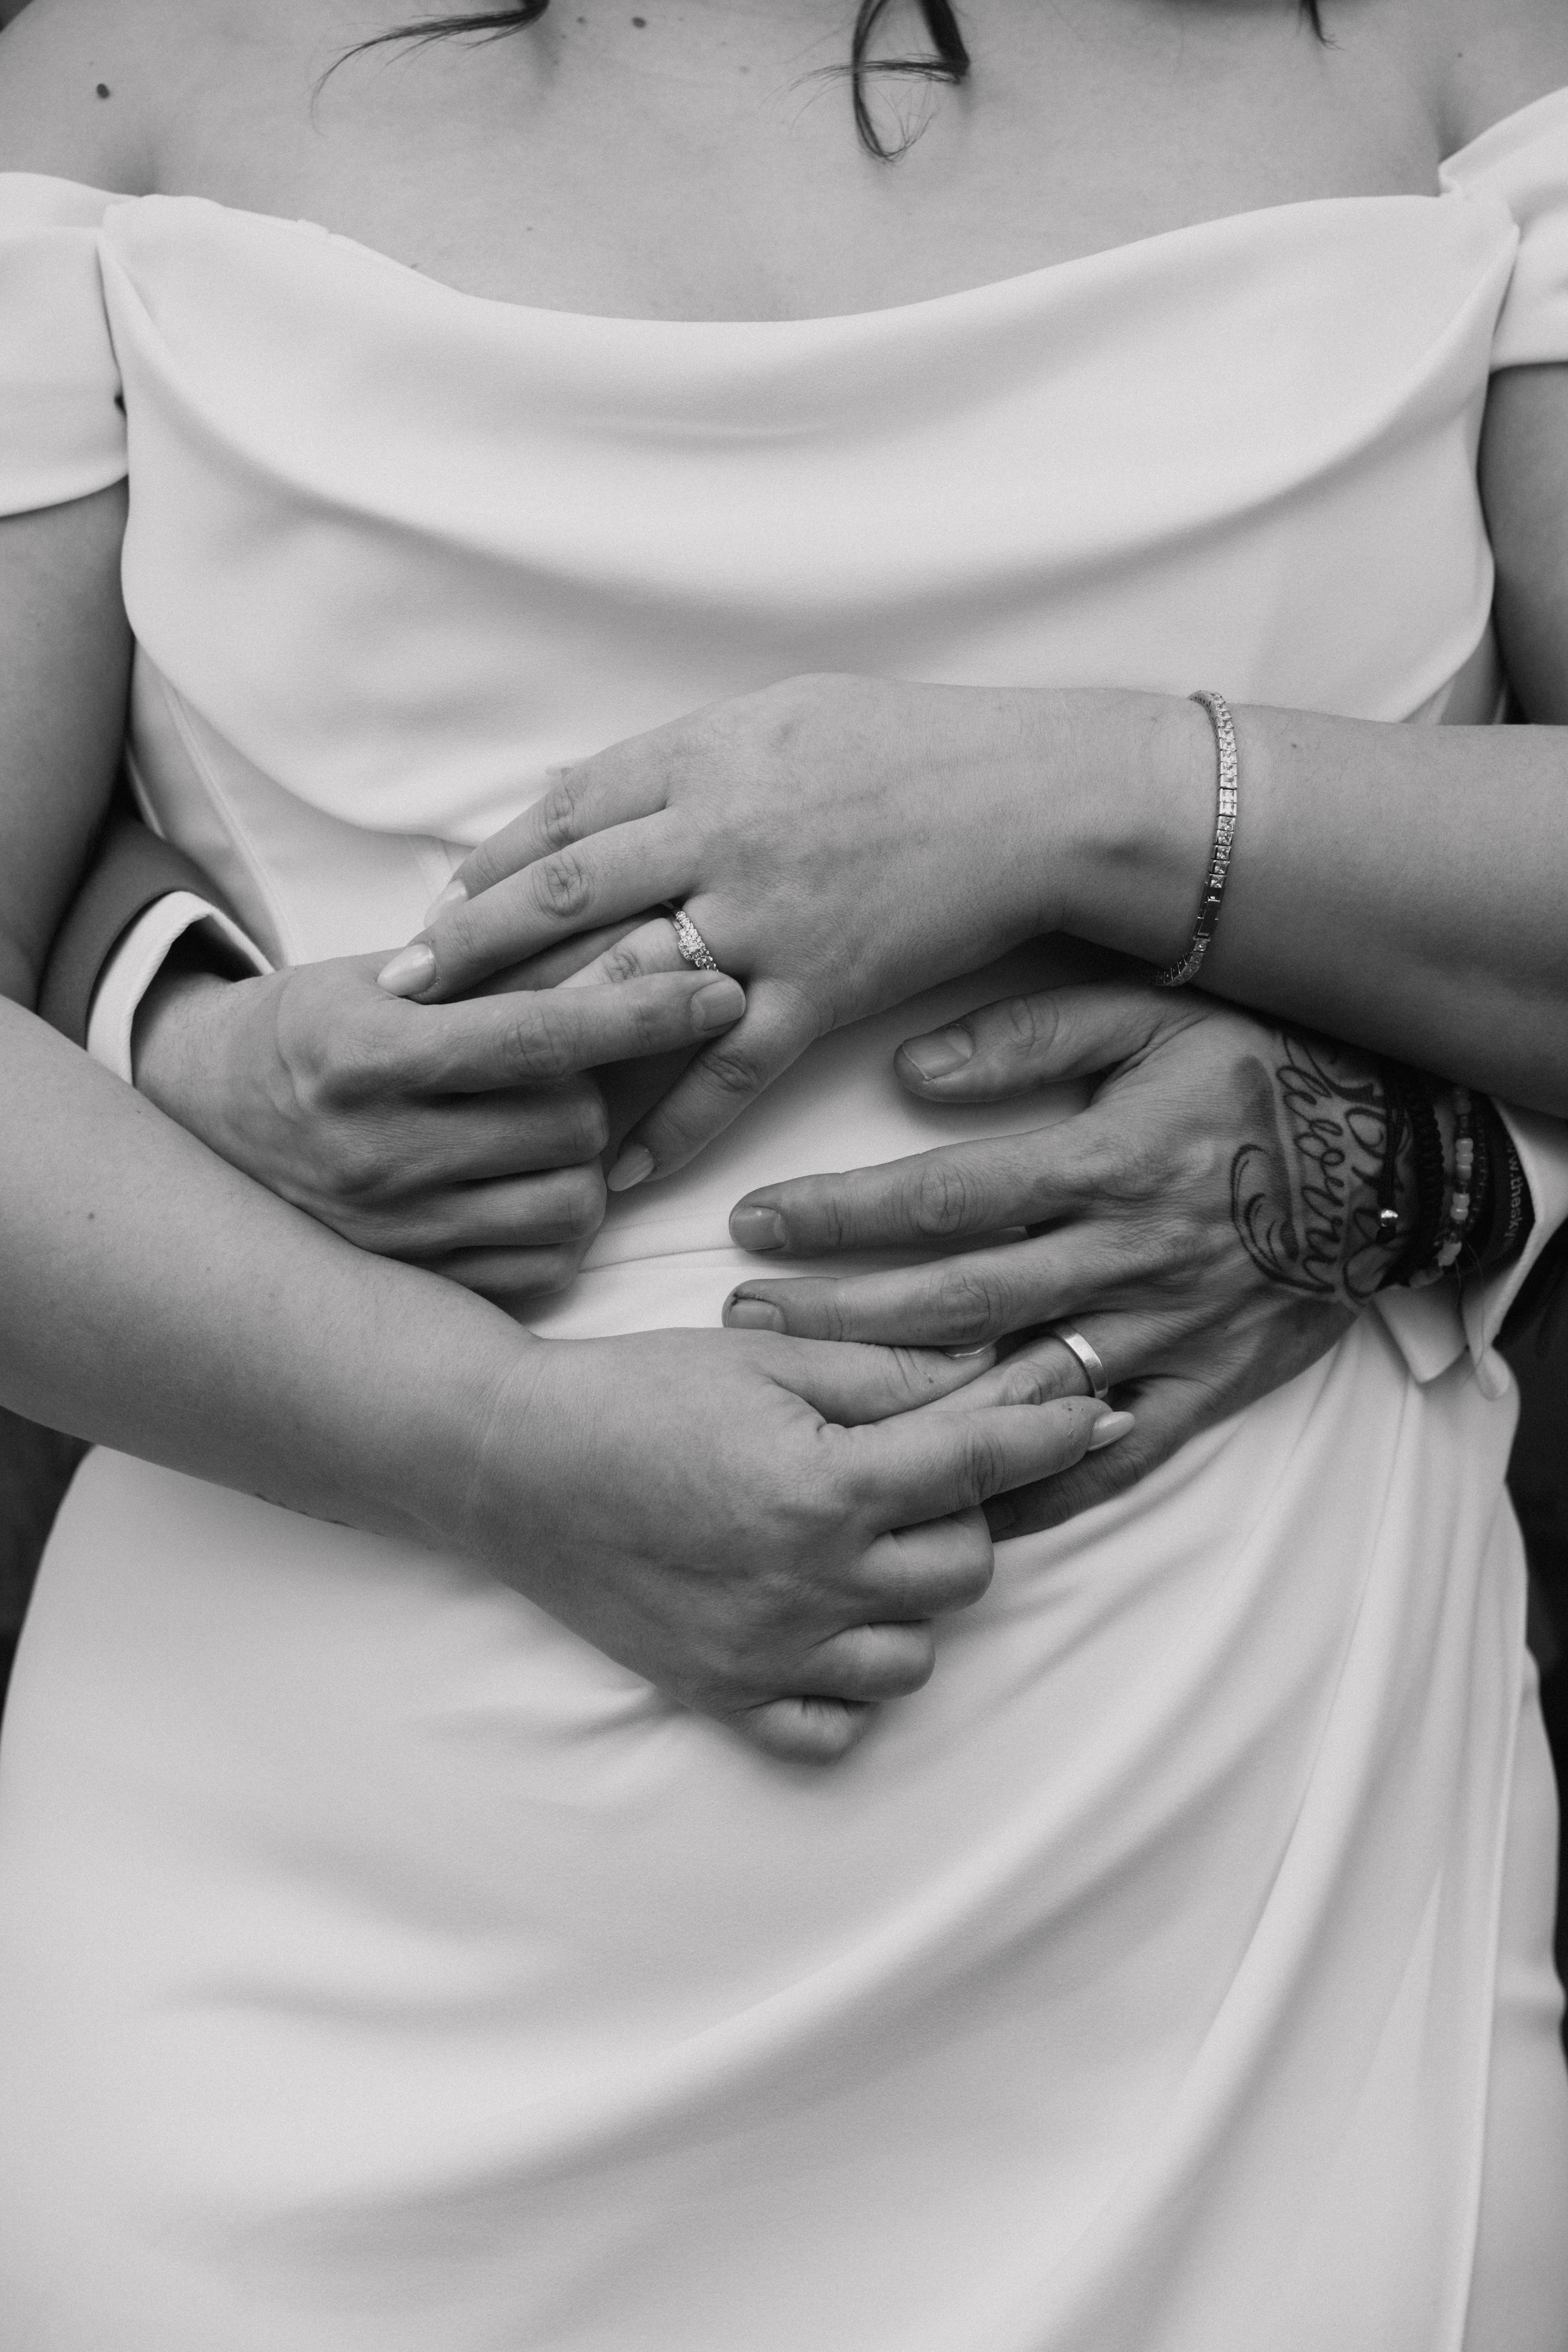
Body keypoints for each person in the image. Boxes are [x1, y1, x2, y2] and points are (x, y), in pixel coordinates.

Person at [0, 0, 1566, 2343]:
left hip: (1230, 1875)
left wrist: (1090, 800)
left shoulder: (1471, 48)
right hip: (316, 1939)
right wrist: (499, 1455)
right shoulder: (117, 73)